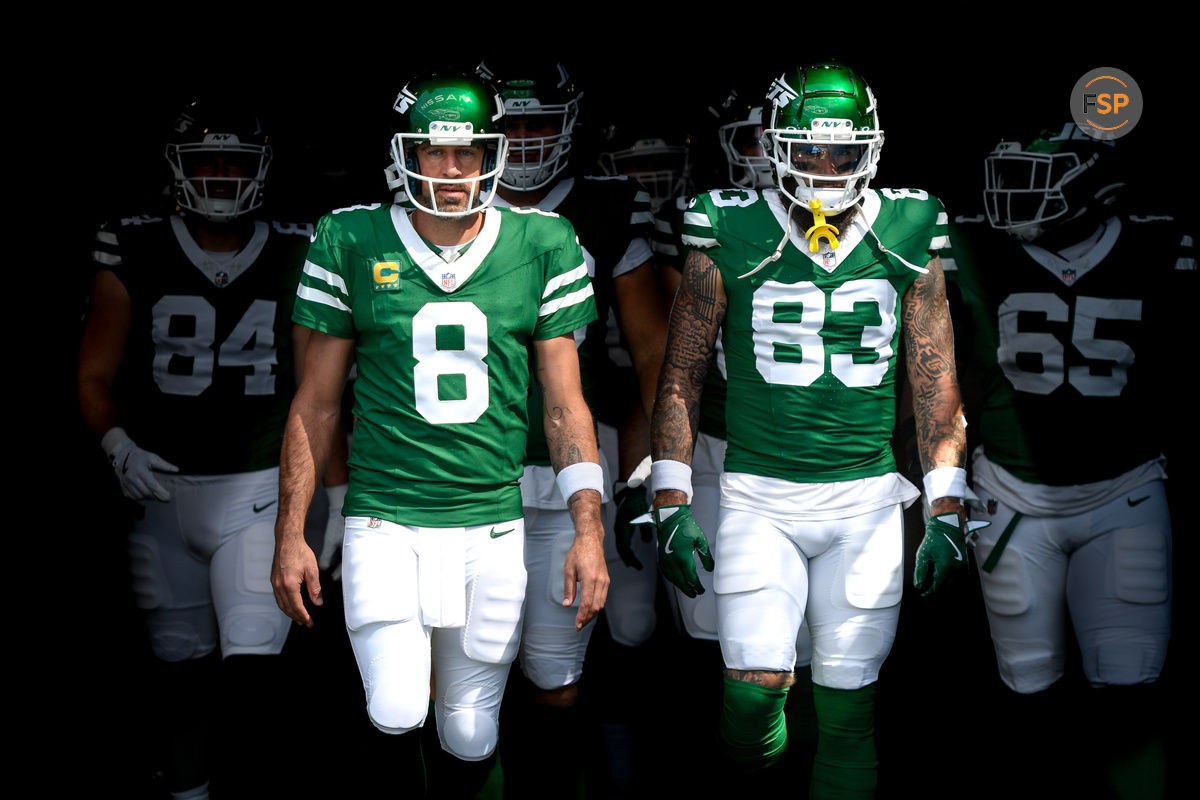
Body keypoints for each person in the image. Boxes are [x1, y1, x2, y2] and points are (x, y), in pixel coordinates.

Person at [269, 71, 608, 797]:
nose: (450, 171)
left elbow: (565, 405)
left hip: (492, 521)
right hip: (385, 516)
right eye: (432, 151)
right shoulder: (350, 236)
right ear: (405, 154)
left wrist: (588, 527)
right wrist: (291, 530)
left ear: (495, 152)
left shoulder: (543, 239)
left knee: (469, 728)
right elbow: (316, 402)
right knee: (394, 708)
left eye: (467, 153)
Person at [648, 62, 982, 797]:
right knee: (754, 689)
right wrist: (671, 495)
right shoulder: (727, 220)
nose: (826, 168)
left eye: (843, 151)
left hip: (865, 502)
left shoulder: (910, 222)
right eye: (808, 150)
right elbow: (681, 374)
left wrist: (948, 505)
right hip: (758, 496)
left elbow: (935, 381)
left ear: (873, 149)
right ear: (775, 147)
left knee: (848, 706)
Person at [77, 98, 312, 799]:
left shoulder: (300, 244)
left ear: (261, 171)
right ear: (175, 169)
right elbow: (93, 371)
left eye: (233, 162)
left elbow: (322, 385)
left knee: (253, 669)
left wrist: (326, 489)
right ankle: (187, 793)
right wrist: (116, 443)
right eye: (204, 160)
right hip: (161, 489)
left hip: (258, 488)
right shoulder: (134, 240)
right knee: (178, 671)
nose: (217, 175)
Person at [946, 121, 1187, 797]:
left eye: (1034, 177)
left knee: (1130, 691)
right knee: (1026, 690)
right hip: (1011, 497)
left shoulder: (1158, 242)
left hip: (1124, 493)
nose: (1010, 195)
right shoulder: (965, 243)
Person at [473, 57, 667, 793]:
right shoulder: (442, 194)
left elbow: (651, 347)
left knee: (580, 656)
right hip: (464, 458)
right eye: (508, 123)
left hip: (572, 456)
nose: (521, 140)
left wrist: (656, 460)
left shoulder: (608, 203)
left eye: (537, 124)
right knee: (463, 664)